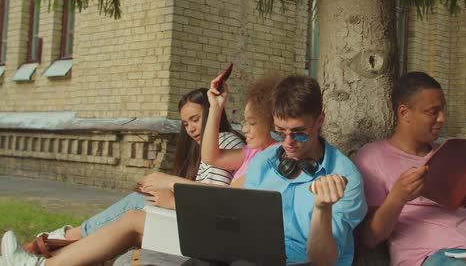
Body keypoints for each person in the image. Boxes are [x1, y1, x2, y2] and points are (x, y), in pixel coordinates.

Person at [0, 76, 282, 266]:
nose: (243, 128)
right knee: (137, 211)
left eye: (251, 123)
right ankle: (49, 252)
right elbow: (212, 157)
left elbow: (226, 201)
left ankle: (47, 253)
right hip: (216, 234)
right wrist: (217, 105)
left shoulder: (268, 157)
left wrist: (171, 189)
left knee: (136, 214)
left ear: (273, 124)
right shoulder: (253, 153)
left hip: (221, 243)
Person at [24, 88, 244, 246]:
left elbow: (212, 198)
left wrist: (169, 188)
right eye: (186, 123)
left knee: (141, 202)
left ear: (212, 113)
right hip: (195, 220)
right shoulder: (206, 147)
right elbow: (201, 189)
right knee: (143, 199)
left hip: (205, 229)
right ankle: (71, 238)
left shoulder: (224, 141)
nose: (190, 129)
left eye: (195, 119)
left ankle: (68, 237)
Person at [353, 71, 466, 266]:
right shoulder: (373, 157)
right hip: (427, 257)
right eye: (433, 111)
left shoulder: (448, 155)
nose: (442, 118)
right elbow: (370, 238)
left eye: (442, 110)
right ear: (404, 113)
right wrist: (398, 197)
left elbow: (457, 225)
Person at [243, 75, 367, 265]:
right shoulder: (262, 164)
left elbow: (322, 260)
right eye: (279, 132)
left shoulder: (345, 176)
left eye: (299, 133)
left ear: (320, 120)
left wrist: (322, 209)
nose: (288, 143)